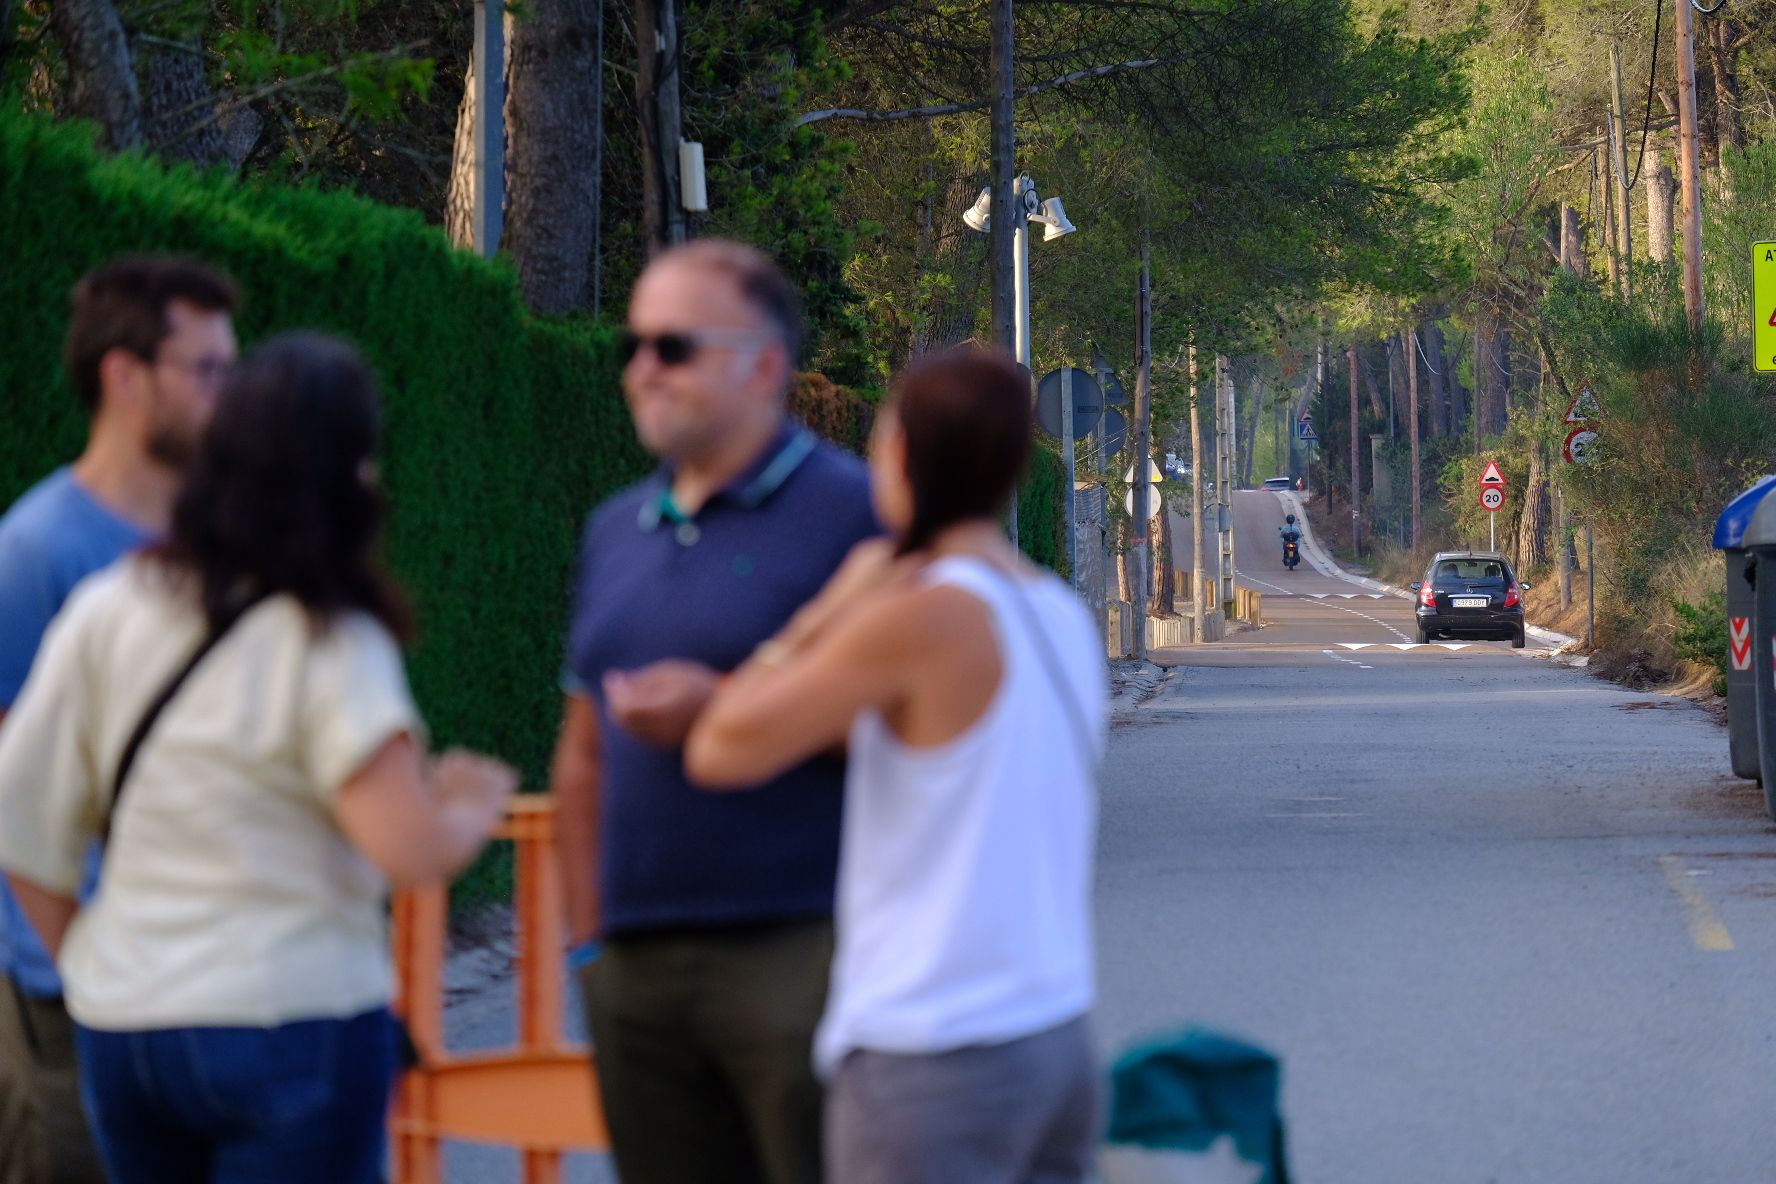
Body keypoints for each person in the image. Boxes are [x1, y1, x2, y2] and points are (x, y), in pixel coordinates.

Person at [0, 333, 517, 1184]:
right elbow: (404, 847)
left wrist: (92, 963)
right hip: (291, 1022)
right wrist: (466, 804)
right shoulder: (329, 632)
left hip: (128, 1030)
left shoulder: (110, 606)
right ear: (348, 475)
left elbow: (21, 821)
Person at [685, 345, 1108, 1184]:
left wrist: (824, 615)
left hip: (934, 1054)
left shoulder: (922, 617)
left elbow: (721, 747)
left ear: (907, 458)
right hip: (1053, 1036)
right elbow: (945, 763)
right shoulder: (1055, 612)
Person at [551, 239, 878, 1184]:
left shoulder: (853, 517)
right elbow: (582, 752)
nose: (645, 368)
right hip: (635, 967)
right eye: (634, 346)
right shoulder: (614, 528)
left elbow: (914, 732)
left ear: (766, 365)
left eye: (677, 345)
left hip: (801, 949)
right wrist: (587, 944)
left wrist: (726, 710)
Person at [0, 256, 238, 1184]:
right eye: (207, 371)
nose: (229, 394)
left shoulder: (225, 544)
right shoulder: (36, 552)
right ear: (126, 377)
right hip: (70, 1000)